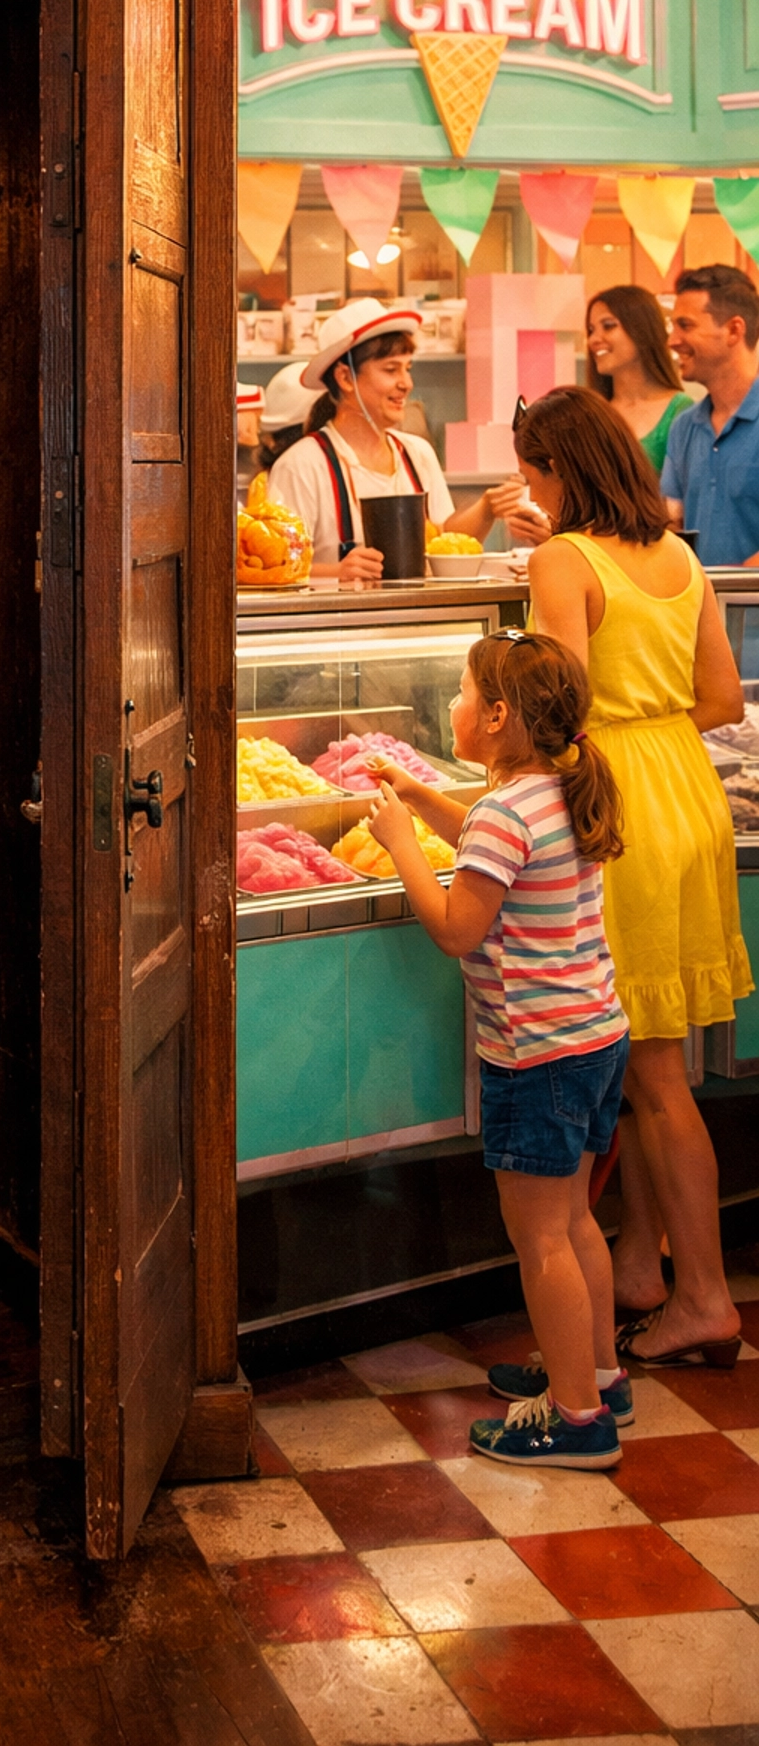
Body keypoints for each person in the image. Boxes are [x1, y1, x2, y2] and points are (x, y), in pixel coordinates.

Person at [519, 385, 749, 1368]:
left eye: (533, 469)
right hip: (686, 797)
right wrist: (651, 733)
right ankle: (644, 1263)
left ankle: (704, 1299)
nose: (527, 486)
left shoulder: (562, 559)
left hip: (618, 810)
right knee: (655, 1051)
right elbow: (721, 697)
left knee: (652, 1075)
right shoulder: (680, 556)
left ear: (559, 470)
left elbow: (556, 706)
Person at [367, 631, 631, 1468]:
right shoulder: (555, 791)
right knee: (575, 1218)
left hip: (537, 1057)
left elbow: (457, 928)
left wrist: (403, 844)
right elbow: (491, 840)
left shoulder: (501, 814)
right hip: (595, 1037)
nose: (450, 704)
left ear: (497, 716)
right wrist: (420, 793)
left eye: (458, 691)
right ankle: (596, 1370)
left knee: (541, 1240)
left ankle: (578, 1421)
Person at [267, 298, 538, 587]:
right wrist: (337, 571)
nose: (406, 383)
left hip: (415, 624)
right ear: (346, 378)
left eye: (407, 368)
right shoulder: (301, 465)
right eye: (391, 369)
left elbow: (441, 544)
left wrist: (487, 509)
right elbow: (276, 567)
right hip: (335, 629)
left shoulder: (417, 453)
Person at [661, 263, 759, 566]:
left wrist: (725, 594)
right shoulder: (684, 427)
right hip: (700, 610)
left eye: (685, 326)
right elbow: (672, 523)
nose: (672, 340)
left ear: (734, 329)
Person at [586, 284, 693, 475]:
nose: (594, 339)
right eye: (591, 330)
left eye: (608, 326)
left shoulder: (681, 411)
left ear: (642, 329)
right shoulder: (591, 414)